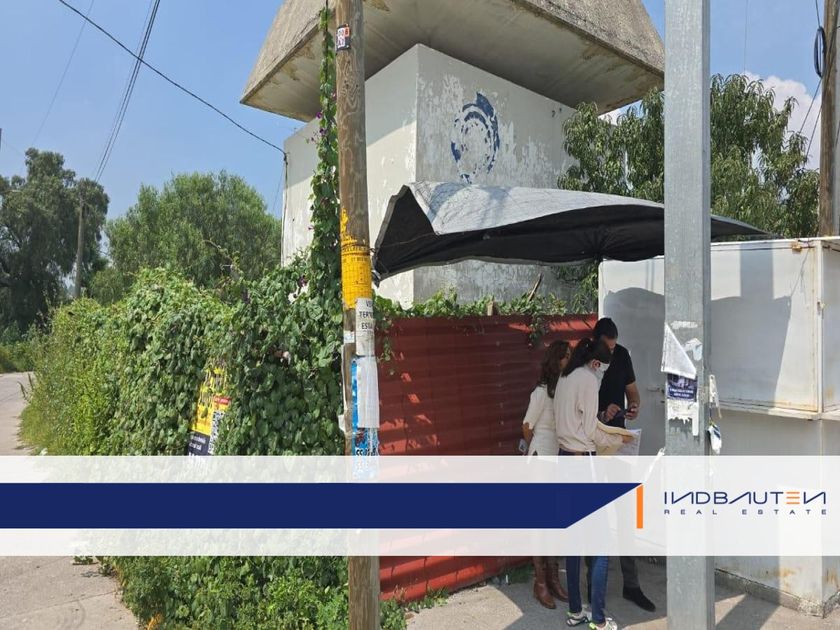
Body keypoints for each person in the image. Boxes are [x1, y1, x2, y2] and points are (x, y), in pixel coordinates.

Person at [555, 338, 632, 630]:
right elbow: (589, 431)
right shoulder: (588, 379)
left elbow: (577, 422)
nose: (602, 377)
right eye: (603, 371)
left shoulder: (565, 377)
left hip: (564, 459)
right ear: (596, 364)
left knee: (574, 542)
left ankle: (576, 611)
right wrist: (619, 438)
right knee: (600, 545)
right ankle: (598, 619)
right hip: (583, 463)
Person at [589, 317, 656, 613]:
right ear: (597, 342)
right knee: (594, 515)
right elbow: (579, 406)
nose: (611, 352)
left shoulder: (623, 355)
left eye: (614, 347)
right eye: (608, 347)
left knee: (627, 512)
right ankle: (593, 585)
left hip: (618, 443)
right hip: (592, 446)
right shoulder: (585, 360)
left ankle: (631, 584)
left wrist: (634, 406)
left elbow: (633, 391)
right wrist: (602, 413)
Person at [521, 340, 571, 608]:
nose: (569, 360)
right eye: (566, 356)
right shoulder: (541, 393)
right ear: (556, 361)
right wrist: (535, 447)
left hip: (556, 459)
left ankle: (553, 578)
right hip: (541, 459)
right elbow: (527, 426)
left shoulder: (562, 390)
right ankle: (540, 582)